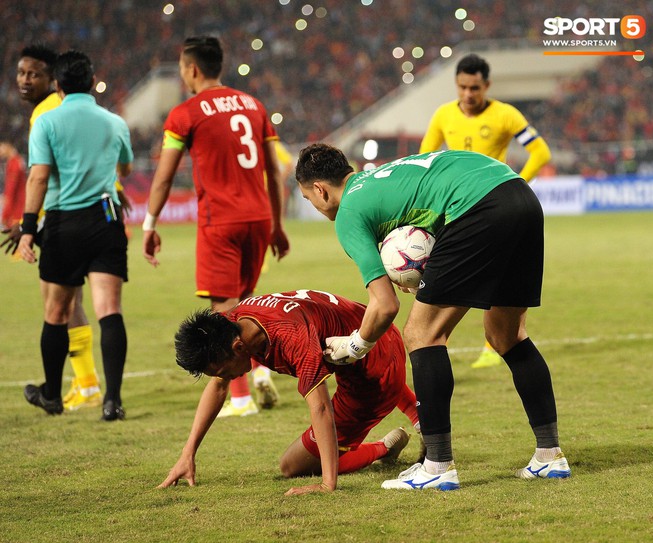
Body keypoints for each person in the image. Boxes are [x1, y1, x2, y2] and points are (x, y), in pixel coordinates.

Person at [295, 143, 571, 491]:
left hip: (479, 207)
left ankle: (438, 465)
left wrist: (355, 345)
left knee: (421, 334)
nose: (314, 206)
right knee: (505, 334)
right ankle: (549, 455)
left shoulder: (349, 211)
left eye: (308, 199)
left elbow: (384, 305)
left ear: (320, 190)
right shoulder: (383, 179)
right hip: (520, 196)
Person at [142, 36, 290, 417]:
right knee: (246, 302)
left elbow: (163, 177)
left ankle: (239, 399)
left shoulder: (186, 113)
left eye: (181, 70)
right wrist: (277, 224)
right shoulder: (254, 105)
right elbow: (274, 171)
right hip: (258, 217)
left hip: (220, 220)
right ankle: (258, 374)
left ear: (192, 69)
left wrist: (149, 223)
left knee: (224, 310)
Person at [159, 289, 421, 495]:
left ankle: (382, 448)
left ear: (238, 348)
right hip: (370, 330)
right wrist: (187, 453)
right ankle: (420, 417)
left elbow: (319, 408)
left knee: (292, 465)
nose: (224, 378)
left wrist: (327, 485)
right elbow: (218, 386)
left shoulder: (290, 337)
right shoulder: (231, 323)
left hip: (376, 366)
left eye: (222, 370)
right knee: (340, 359)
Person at [18, 50, 134, 421]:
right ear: (91, 81)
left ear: (57, 84)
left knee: (56, 311)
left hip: (64, 223)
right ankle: (112, 401)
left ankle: (52, 394)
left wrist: (26, 228)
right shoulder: (114, 121)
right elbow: (126, 168)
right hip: (106, 218)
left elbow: (38, 177)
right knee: (109, 309)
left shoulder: (47, 122)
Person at [419, 53, 552, 369]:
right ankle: (434, 342)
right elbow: (425, 158)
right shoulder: (443, 115)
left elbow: (540, 151)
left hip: (493, 207)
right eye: (463, 87)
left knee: (498, 274)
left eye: (475, 88)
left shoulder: (506, 115)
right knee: (438, 274)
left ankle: (495, 344)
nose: (468, 94)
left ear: (487, 86)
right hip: (454, 208)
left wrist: (517, 182)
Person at [3, 44, 105, 411]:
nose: (25, 80)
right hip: (84, 215)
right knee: (73, 302)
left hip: (64, 218)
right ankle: (88, 383)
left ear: (53, 79)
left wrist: (33, 225)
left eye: (34, 74)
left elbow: (48, 176)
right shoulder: (57, 108)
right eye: (21, 73)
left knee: (60, 303)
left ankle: (86, 385)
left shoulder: (47, 112)